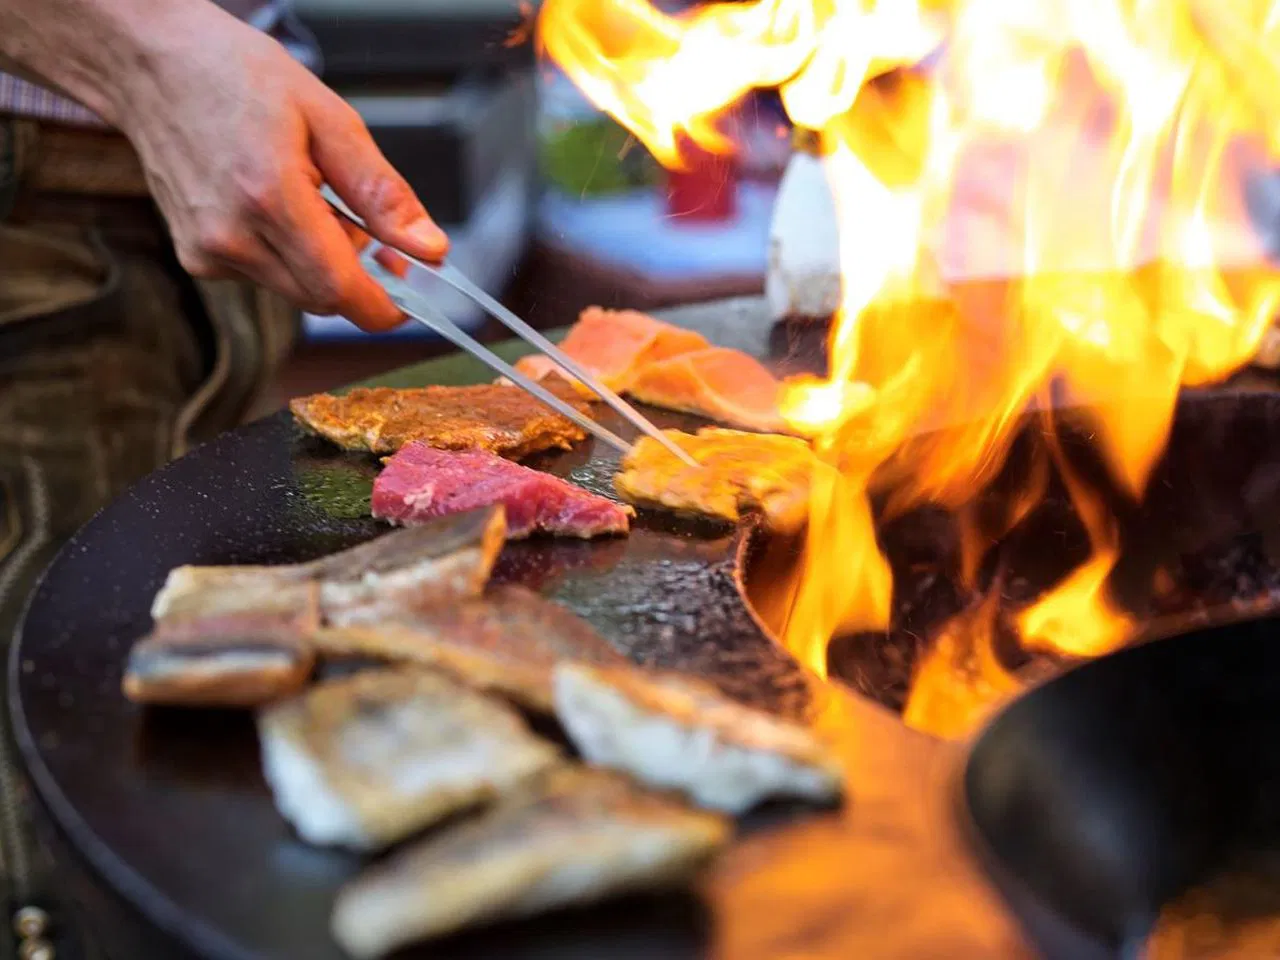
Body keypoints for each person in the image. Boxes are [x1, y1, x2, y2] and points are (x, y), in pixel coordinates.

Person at [0, 0, 448, 954]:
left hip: (219, 170)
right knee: (57, 869)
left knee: (193, 800)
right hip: (27, 211)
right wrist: (133, 49)